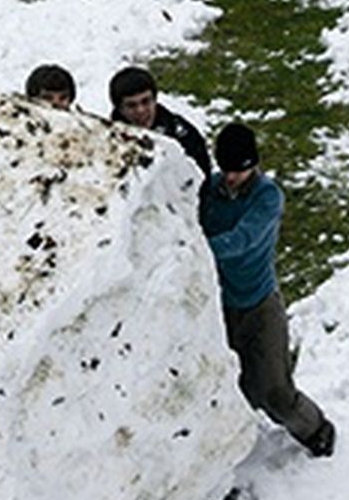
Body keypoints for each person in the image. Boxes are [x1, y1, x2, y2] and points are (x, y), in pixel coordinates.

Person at [199, 122, 335, 457]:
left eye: (240, 171)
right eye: (227, 170)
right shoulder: (210, 191)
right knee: (229, 388)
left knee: (275, 391)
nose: (231, 178)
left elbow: (242, 240)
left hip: (259, 306)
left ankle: (316, 429)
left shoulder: (267, 197)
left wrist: (194, 248)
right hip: (220, 307)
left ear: (254, 165)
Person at [108, 65, 210, 178]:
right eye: (131, 105)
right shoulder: (107, 142)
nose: (140, 110)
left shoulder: (181, 134)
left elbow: (202, 176)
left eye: (145, 101)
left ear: (155, 99)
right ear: (119, 108)